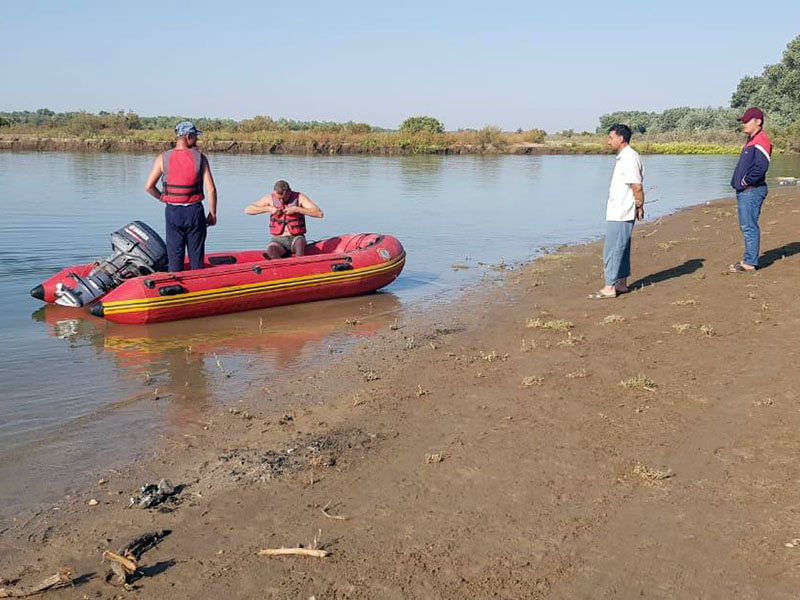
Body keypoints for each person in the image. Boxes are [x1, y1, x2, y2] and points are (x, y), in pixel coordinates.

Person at [144, 121, 217, 272]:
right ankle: (198, 286)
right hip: (194, 212)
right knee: (196, 258)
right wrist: (213, 213)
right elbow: (211, 189)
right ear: (188, 136)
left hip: (173, 213)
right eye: (195, 136)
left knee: (175, 257)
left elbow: (149, 187)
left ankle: (175, 287)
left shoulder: (162, 158)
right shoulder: (200, 158)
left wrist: (163, 198)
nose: (197, 140)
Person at [588, 123, 645, 299]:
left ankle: (609, 287)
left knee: (612, 249)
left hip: (621, 212)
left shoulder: (628, 157)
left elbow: (636, 186)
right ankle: (621, 283)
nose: (608, 141)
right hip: (621, 210)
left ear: (620, 139)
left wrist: (640, 205)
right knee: (622, 247)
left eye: (611, 138)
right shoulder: (626, 156)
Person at [729, 107, 772, 273]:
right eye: (743, 121)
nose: (744, 124)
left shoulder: (761, 140)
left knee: (749, 226)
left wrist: (745, 182)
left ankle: (749, 262)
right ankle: (749, 259)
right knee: (747, 225)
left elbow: (761, 167)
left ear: (758, 121)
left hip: (752, 190)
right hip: (747, 190)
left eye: (747, 121)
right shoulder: (752, 139)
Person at [244, 180, 323, 258]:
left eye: (284, 198)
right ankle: (282, 268)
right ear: (275, 192)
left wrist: (297, 209)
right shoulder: (269, 199)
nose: (281, 201)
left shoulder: (300, 197)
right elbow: (248, 210)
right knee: (271, 250)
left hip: (296, 238)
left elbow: (319, 213)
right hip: (278, 240)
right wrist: (268, 208)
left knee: (300, 244)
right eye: (279, 198)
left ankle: (299, 265)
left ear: (288, 192)